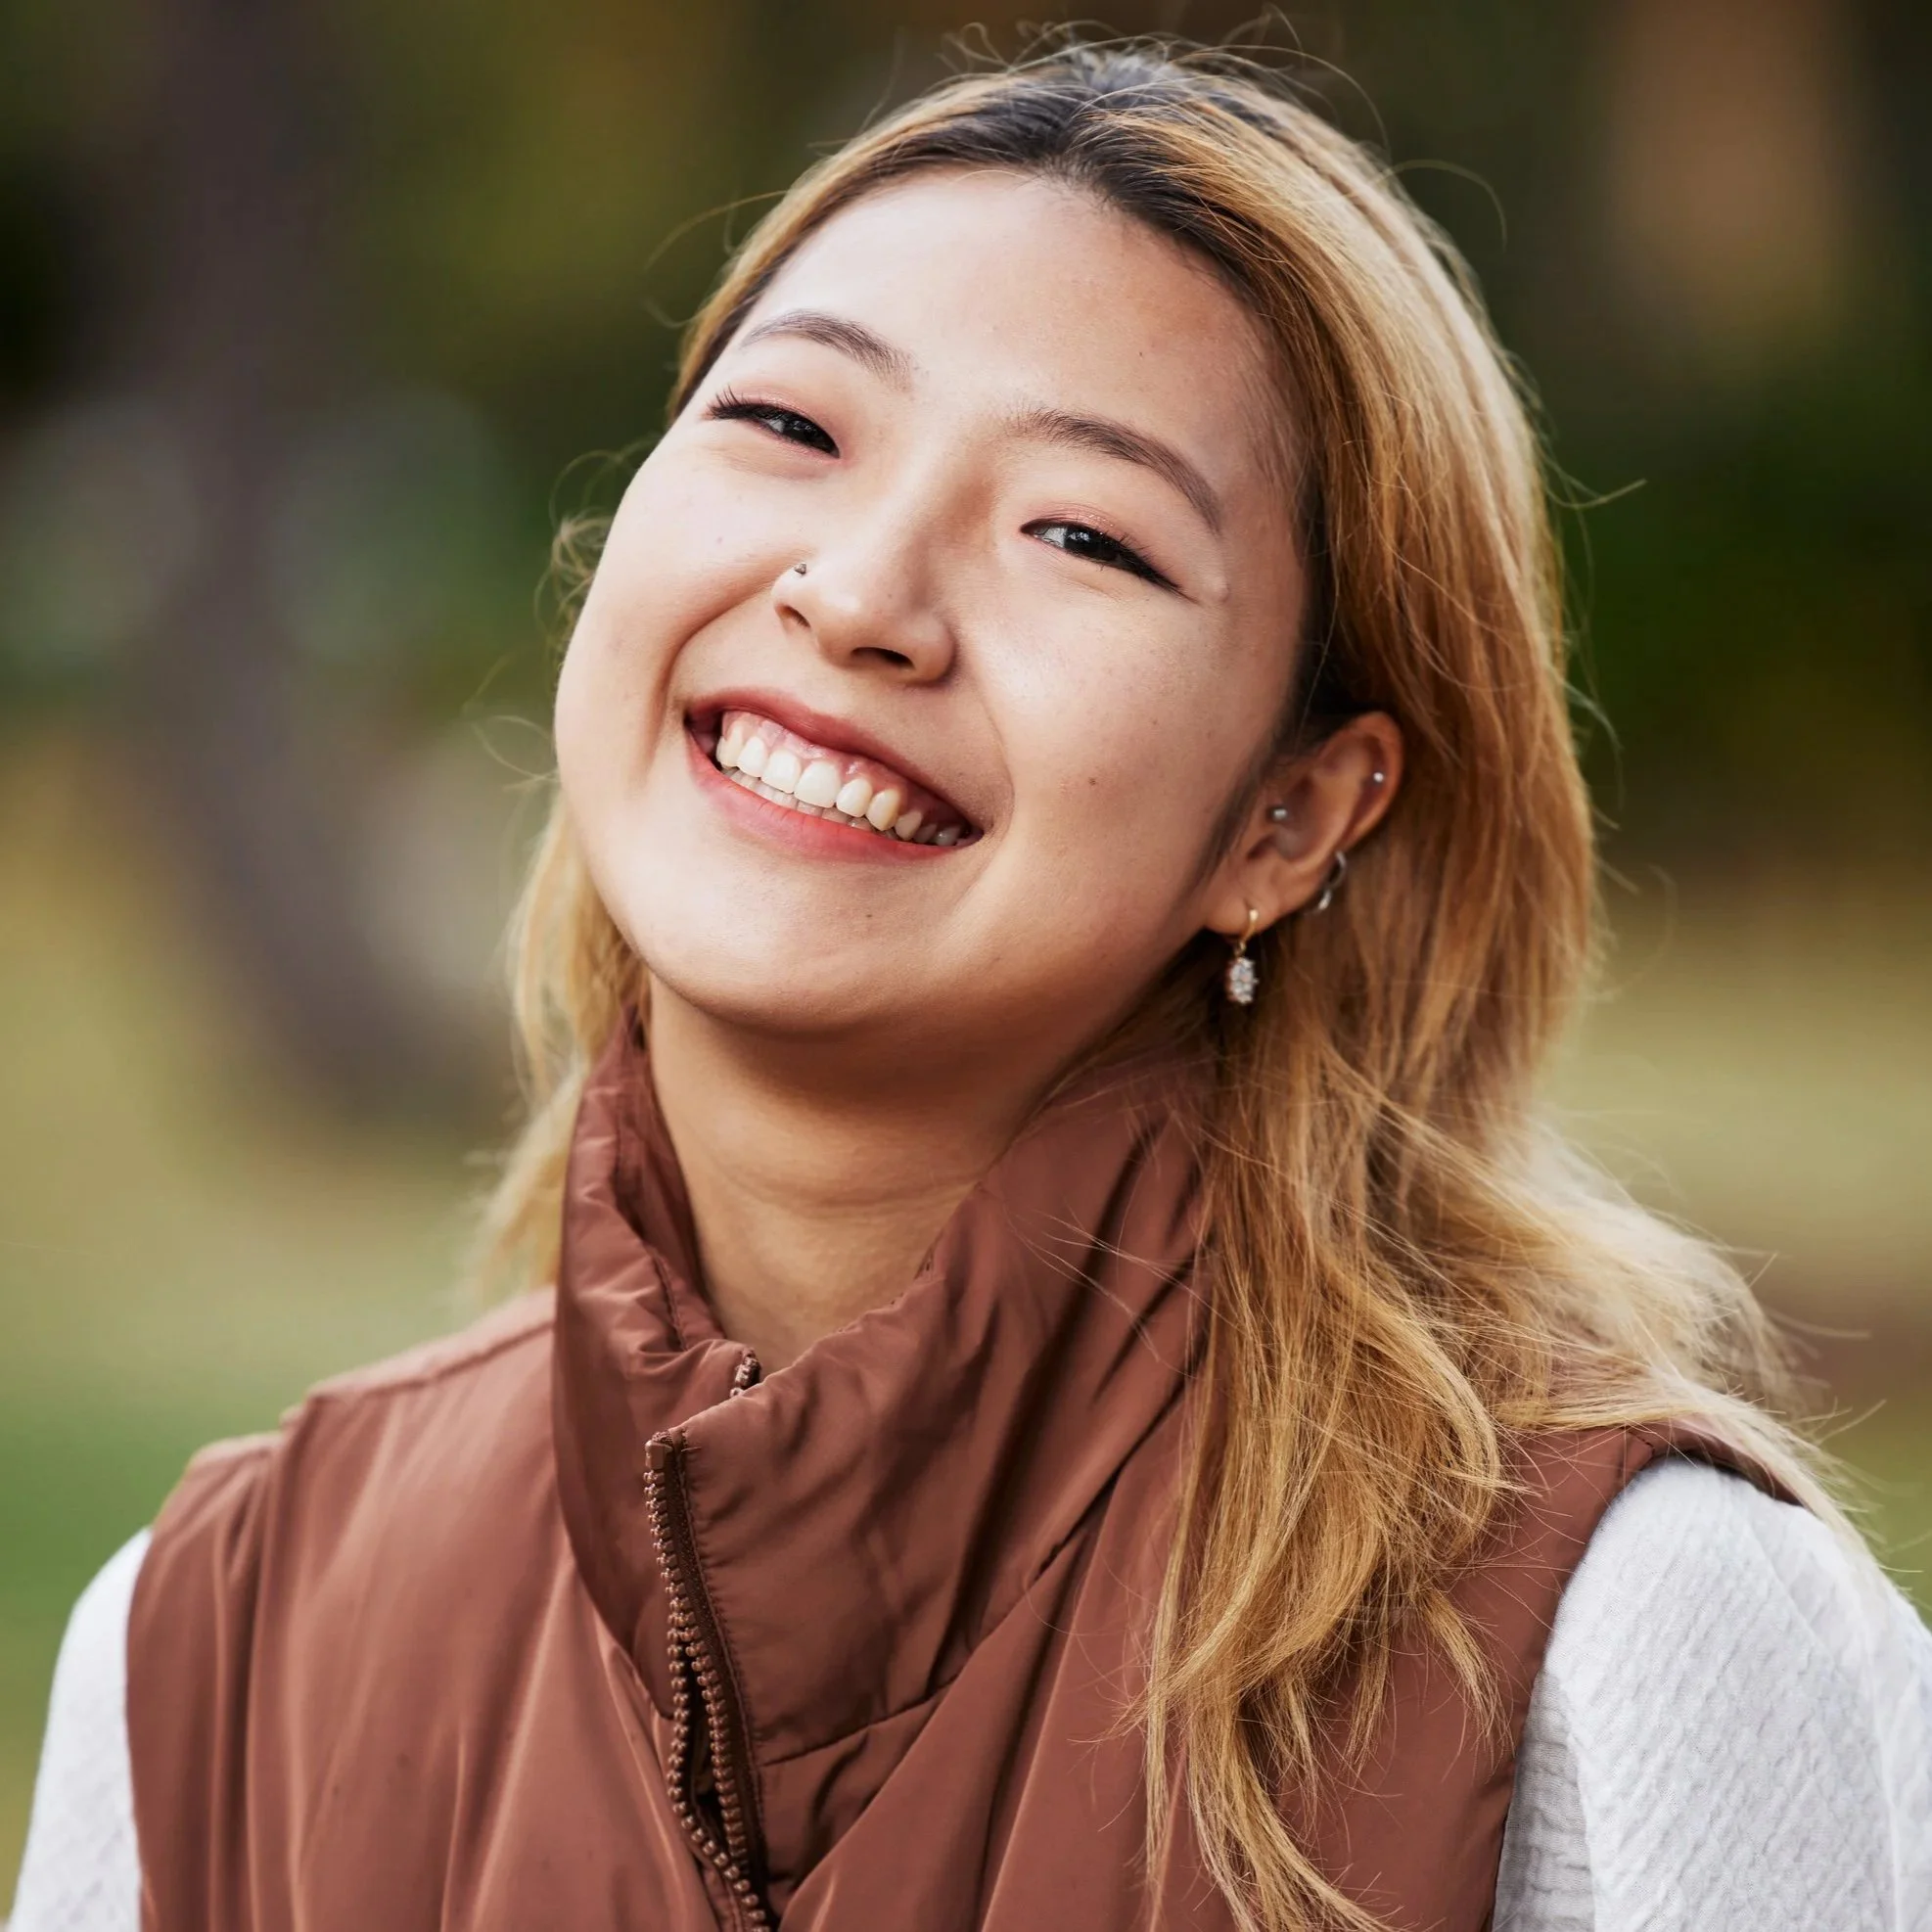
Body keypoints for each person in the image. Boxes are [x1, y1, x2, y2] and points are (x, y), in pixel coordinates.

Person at [11, 39, 1931, 1932]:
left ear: (1289, 814)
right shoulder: (213, 1637)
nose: (856, 595)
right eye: (790, 426)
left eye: (1082, 535)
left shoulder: (1625, 1638)